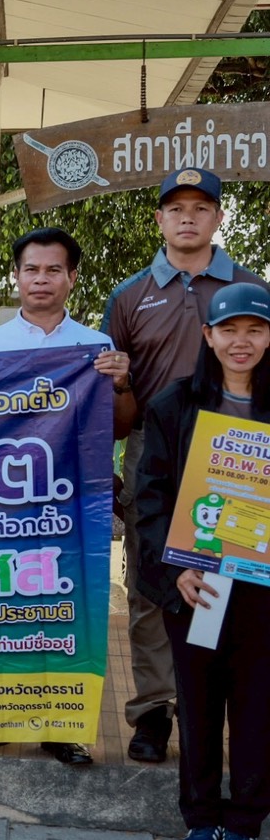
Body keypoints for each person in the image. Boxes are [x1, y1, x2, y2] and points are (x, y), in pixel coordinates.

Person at [104, 167, 269, 763]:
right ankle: (153, 710)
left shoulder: (251, 288)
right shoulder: (129, 296)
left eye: (201, 208)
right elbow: (114, 393)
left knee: (239, 584)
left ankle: (229, 715)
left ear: (218, 217)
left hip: (243, 452)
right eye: (176, 209)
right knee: (154, 582)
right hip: (157, 453)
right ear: (160, 220)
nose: (188, 218)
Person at [0, 227, 137, 764]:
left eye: (53, 270)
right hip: (0, 507)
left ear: (72, 278)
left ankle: (62, 727)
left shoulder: (96, 348)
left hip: (70, 507)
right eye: (31, 269)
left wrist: (121, 383)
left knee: (64, 615)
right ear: (16, 277)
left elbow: (120, 427)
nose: (41, 279)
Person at [134, 282, 270, 840]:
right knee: (198, 699)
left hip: (262, 587)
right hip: (200, 582)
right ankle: (201, 816)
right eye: (230, 330)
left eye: (255, 330)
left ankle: (245, 820)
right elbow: (151, 498)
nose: (242, 342)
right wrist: (176, 571)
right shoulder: (174, 404)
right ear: (209, 336)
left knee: (257, 702)